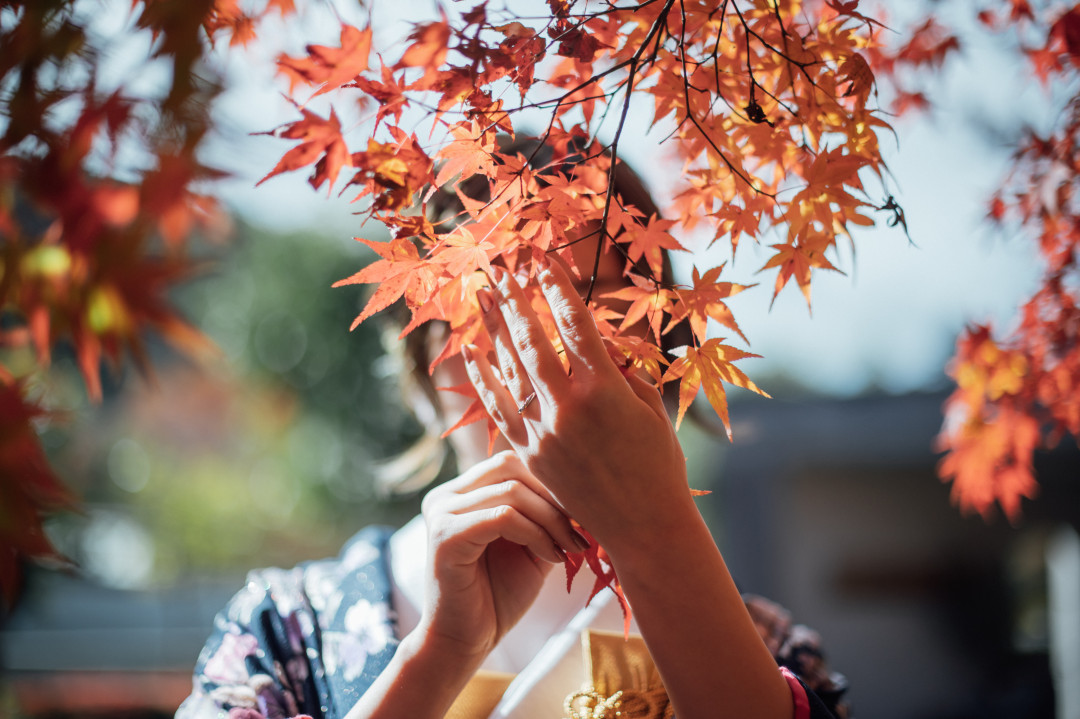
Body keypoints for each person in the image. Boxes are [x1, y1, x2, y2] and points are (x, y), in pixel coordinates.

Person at [176, 141, 849, 719]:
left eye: (599, 320)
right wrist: (436, 656)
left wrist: (656, 536)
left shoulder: (757, 645)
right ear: (420, 378)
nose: (547, 369)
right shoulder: (287, 628)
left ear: (662, 362)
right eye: (494, 325)